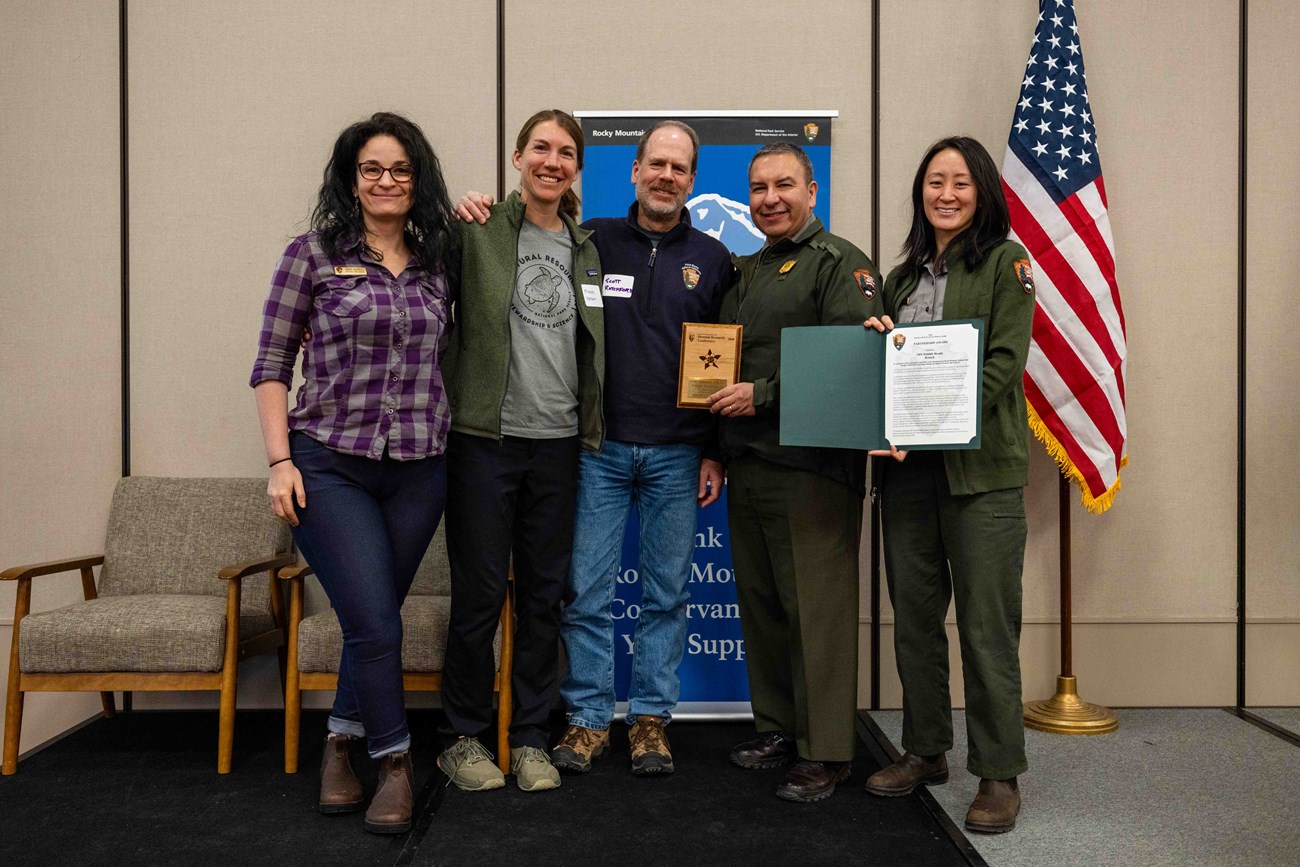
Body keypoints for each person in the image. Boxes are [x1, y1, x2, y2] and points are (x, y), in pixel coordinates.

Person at [455, 120, 732, 777]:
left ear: (692, 180)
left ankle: (650, 721)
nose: (666, 176)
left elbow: (723, 359)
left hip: (678, 453)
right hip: (597, 448)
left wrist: (716, 450)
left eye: (679, 168)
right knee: (585, 594)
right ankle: (586, 719)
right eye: (655, 164)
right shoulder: (592, 242)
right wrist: (475, 206)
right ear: (634, 171)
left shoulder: (715, 258)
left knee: (666, 595)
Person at [250, 112, 457, 834]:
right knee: (373, 618)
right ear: (351, 178)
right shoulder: (310, 255)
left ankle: (338, 741)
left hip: (420, 469)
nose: (386, 180)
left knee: (375, 621)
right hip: (329, 465)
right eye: (372, 168)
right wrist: (280, 461)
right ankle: (395, 761)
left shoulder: (439, 261)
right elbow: (271, 365)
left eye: (401, 169)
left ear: (418, 179)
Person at [862, 136, 1034, 834]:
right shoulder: (900, 279)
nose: (947, 194)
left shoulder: (1005, 264)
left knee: (987, 629)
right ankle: (926, 749)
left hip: (980, 477)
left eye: (961, 182)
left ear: (983, 192)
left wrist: (930, 424)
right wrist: (873, 345)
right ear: (921, 193)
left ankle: (998, 771)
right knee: (915, 619)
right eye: (935, 181)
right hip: (907, 477)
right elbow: (886, 369)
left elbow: (1003, 364)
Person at [436, 109, 605, 794]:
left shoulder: (586, 249)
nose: (551, 161)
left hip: (559, 447)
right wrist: (452, 213)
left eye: (565, 152)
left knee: (543, 599)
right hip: (485, 443)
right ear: (517, 157)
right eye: (541, 148)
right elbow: (418, 280)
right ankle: (463, 737)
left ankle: (531, 736)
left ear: (576, 169)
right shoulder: (476, 231)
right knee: (479, 596)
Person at [708, 142, 882, 802]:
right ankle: (779, 728)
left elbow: (852, 362)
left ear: (812, 191)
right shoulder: (746, 269)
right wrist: (717, 445)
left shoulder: (839, 263)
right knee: (766, 608)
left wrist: (764, 394)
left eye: (784, 185)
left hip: (813, 467)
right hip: (750, 461)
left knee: (818, 611)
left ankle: (827, 750)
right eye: (758, 187)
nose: (770, 198)